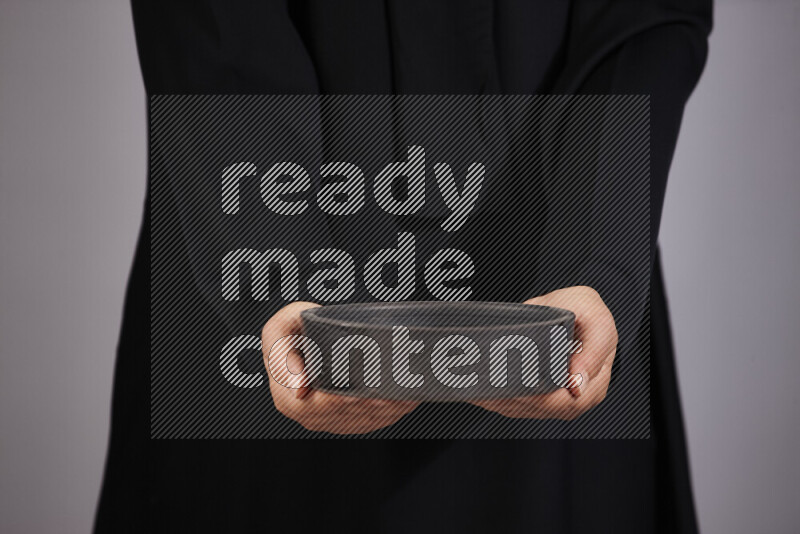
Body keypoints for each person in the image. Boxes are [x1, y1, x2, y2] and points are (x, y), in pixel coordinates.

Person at [96, 1, 712, 532]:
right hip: (244, 251)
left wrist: (599, 261)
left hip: (561, 281)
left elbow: (646, 18)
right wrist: (277, 270)